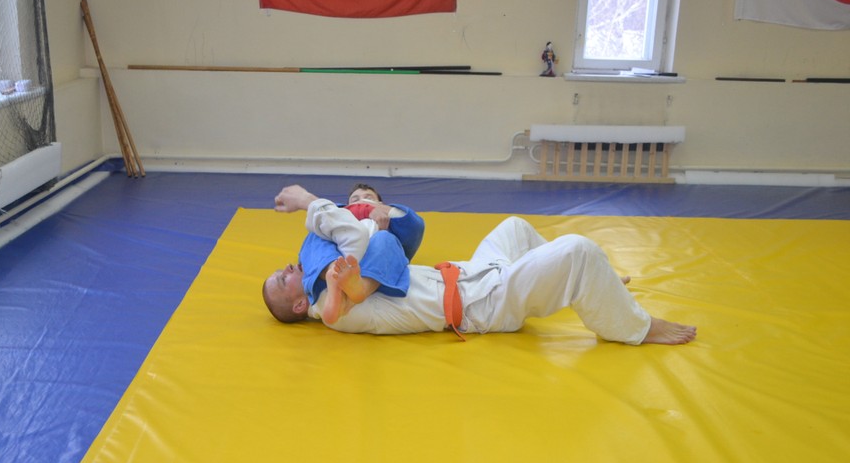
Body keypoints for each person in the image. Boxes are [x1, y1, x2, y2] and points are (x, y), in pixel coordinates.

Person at [266, 199, 696, 345]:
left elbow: (344, 236)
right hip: (484, 304)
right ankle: (636, 328)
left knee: (515, 227)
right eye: (283, 280)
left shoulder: (335, 279)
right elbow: (333, 312)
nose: (288, 268)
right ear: (299, 304)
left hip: (471, 271)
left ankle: (596, 285)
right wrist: (307, 202)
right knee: (579, 250)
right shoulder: (334, 306)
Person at [263, 184, 425, 324]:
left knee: (386, 239)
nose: (287, 267)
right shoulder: (311, 265)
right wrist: (362, 209)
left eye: (368, 197)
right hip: (339, 262)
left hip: (364, 271)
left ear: (381, 203)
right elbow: (333, 217)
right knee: (316, 237)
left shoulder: (392, 227)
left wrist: (383, 212)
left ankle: (357, 288)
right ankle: (334, 271)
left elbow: (415, 227)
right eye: (355, 199)